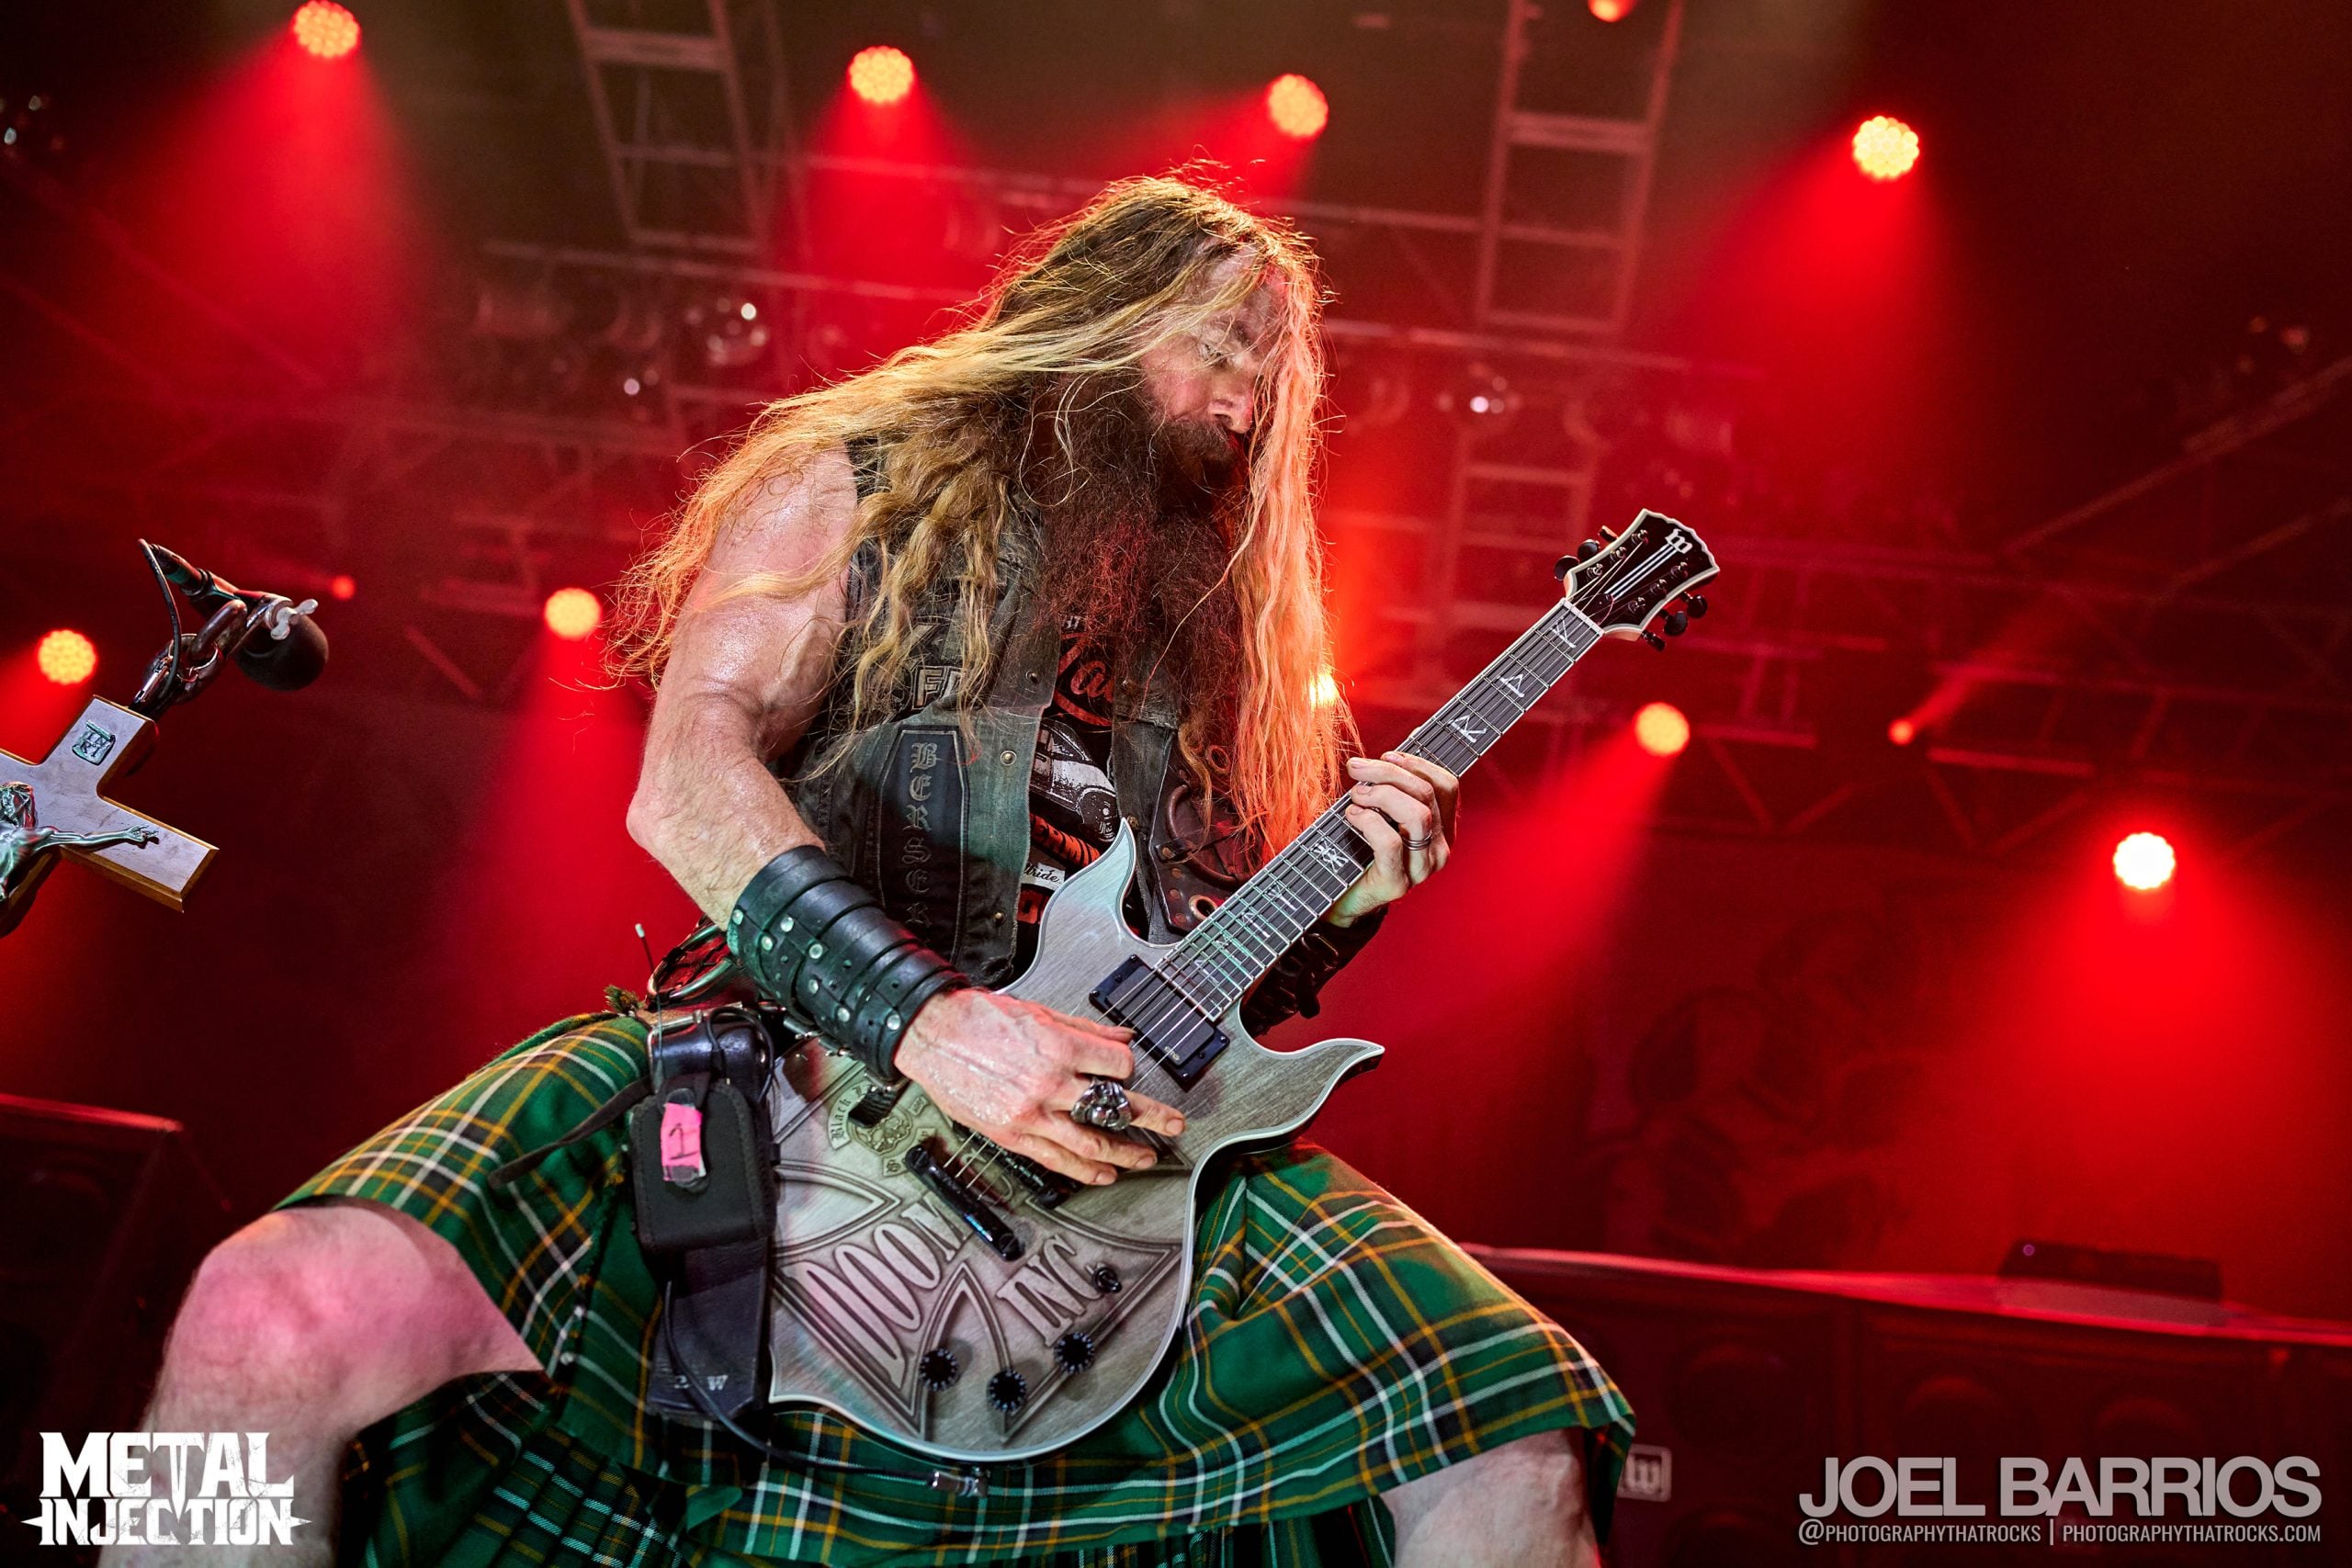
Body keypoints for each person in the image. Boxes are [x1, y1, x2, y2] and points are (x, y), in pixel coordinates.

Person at [117, 176, 1632, 1568]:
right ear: (1099, 316)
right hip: (783, 1071)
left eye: (1281, 373)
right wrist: (928, 1020)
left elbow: (1210, 984)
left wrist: (1336, 911)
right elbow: (685, 775)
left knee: (1510, 1434)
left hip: (1106, 1171)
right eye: (1228, 342)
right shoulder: (862, 477)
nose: (1255, 394)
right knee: (269, 1308)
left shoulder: (1237, 650)